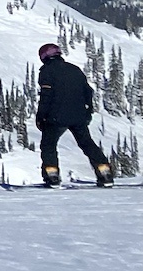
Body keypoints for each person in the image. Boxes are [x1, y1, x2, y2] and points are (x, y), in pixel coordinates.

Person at [36, 43, 112, 187]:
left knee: (48, 145)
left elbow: (46, 96)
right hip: (78, 115)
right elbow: (88, 92)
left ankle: (52, 176)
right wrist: (88, 111)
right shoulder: (74, 69)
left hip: (55, 116)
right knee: (87, 143)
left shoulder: (46, 71)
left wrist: (41, 116)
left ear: (44, 56)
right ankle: (105, 172)